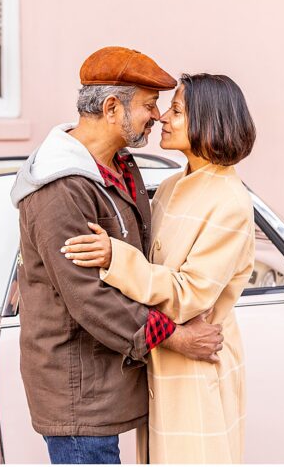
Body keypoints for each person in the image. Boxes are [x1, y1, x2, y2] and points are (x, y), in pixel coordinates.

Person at [10, 47, 226, 465]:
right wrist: (177, 337)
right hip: (79, 392)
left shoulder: (120, 164)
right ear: (112, 108)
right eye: (149, 104)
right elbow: (89, 297)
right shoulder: (61, 188)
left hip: (110, 378)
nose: (157, 116)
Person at [62, 73, 256, 463]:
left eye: (177, 110)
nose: (163, 117)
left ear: (210, 122)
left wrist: (115, 258)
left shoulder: (230, 203)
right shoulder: (169, 187)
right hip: (160, 364)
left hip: (198, 370)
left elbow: (189, 296)